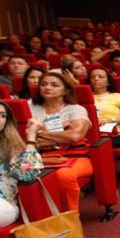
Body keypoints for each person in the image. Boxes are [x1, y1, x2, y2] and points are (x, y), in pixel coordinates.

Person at [28, 73, 93, 211]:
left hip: (76, 157)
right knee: (21, 172)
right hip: (40, 156)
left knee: (64, 175)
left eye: (54, 85)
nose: (48, 87)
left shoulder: (76, 109)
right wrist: (64, 127)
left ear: (65, 90)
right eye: (43, 84)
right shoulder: (30, 108)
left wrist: (38, 132)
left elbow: (75, 136)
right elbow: (21, 136)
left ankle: (70, 218)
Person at [0, 96, 43, 232]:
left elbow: (28, 175)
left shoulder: (10, 146)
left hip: (0, 206)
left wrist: (31, 137)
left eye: (2, 115)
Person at [88, 65, 120, 149]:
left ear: (108, 82)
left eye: (100, 77)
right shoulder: (84, 98)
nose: (96, 79)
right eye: (92, 77)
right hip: (90, 133)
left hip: (112, 134)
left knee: (97, 144)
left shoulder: (117, 97)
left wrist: (110, 120)